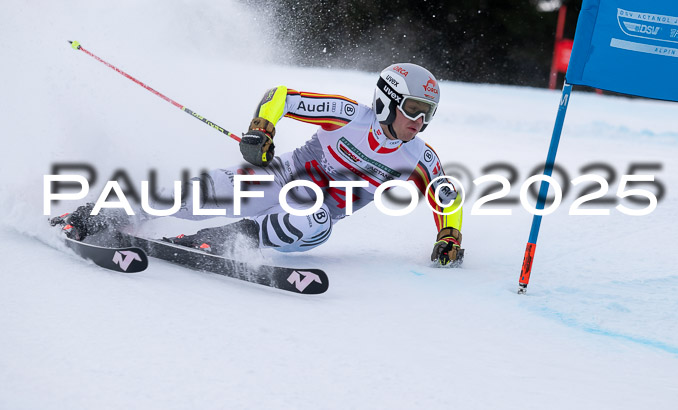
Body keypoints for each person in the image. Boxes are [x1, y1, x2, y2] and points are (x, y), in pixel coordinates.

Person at [53, 63, 464, 267]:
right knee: (208, 188)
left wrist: (449, 234)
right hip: (280, 178)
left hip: (308, 221)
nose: (420, 121)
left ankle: (229, 238)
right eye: (413, 108)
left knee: (314, 215)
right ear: (387, 99)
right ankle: (108, 211)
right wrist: (261, 130)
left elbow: (446, 194)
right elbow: (281, 95)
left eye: (428, 113)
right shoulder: (347, 115)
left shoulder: (418, 158)